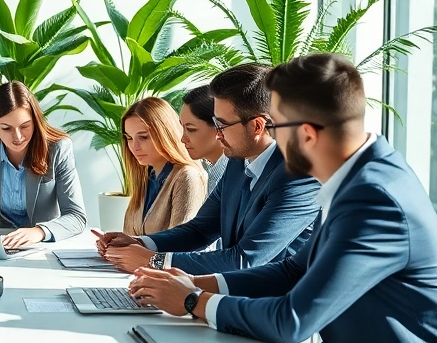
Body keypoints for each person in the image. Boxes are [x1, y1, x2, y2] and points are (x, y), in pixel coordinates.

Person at [128, 54, 437, 343]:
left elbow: (293, 320)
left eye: (275, 127)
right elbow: (293, 271)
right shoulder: (365, 176)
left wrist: (193, 302)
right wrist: (192, 281)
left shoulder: (375, 199)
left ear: (307, 134)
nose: (267, 137)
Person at [97, 65, 320, 275]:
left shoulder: (300, 177)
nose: (217, 133)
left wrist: (153, 261)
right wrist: (139, 242)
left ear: (257, 126)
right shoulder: (238, 161)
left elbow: (244, 260)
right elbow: (200, 230)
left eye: (221, 125)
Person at [0, 81, 87, 248]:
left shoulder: (58, 148)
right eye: (6, 128)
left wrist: (39, 231)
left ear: (35, 121)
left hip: (41, 246)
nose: (18, 136)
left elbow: (76, 216)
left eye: (25, 126)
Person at [118, 97, 206, 237]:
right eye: (129, 138)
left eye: (143, 137)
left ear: (164, 134)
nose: (134, 147)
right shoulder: (146, 176)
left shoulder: (186, 177)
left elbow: (181, 245)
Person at [179, 84, 228, 196]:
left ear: (219, 127)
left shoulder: (238, 175)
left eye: (191, 129)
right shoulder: (208, 170)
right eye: (182, 127)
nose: (183, 139)